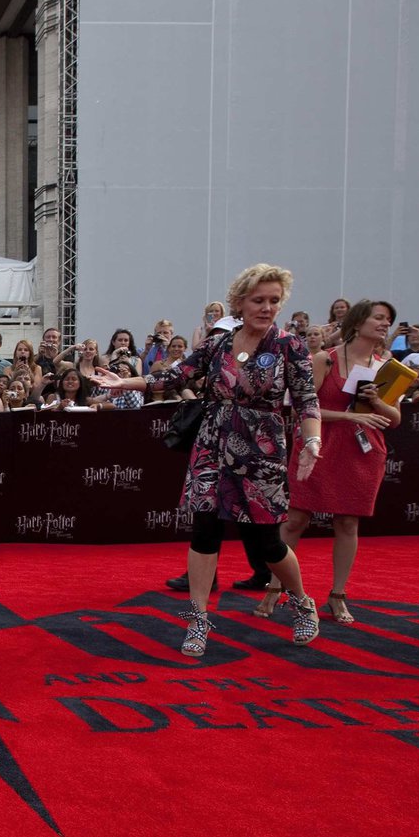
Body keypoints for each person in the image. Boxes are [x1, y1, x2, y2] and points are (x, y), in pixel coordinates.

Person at [94, 263, 323, 656]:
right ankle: (198, 619)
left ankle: (302, 601)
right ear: (239, 303)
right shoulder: (218, 344)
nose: (267, 307)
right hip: (213, 442)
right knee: (204, 530)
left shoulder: (290, 346)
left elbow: (306, 400)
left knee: (268, 541)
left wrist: (313, 441)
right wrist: (124, 382)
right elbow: (174, 375)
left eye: (274, 300)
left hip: (261, 448)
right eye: (258, 300)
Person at [264, 300, 402, 626]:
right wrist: (349, 414)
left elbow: (395, 419)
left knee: (348, 523)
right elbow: (302, 409)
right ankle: (275, 588)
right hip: (319, 445)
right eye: (379, 318)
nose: (385, 324)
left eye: (388, 320)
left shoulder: (388, 367)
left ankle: (338, 594)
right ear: (358, 322)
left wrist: (377, 402)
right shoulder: (324, 359)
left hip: (363, 451)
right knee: (296, 519)